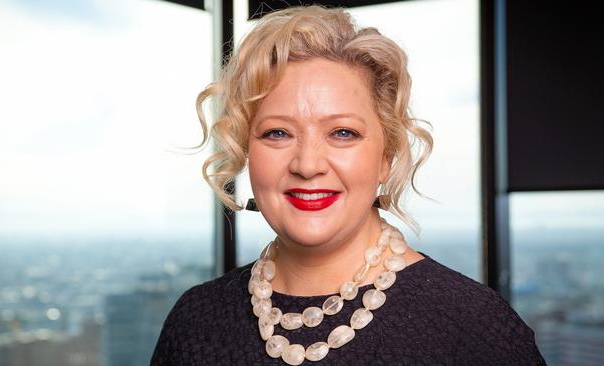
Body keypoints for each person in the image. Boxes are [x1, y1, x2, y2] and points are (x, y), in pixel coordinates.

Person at [151, 5, 546, 365]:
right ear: (246, 152)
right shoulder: (193, 321)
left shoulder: (475, 330)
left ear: (386, 157)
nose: (307, 165)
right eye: (276, 133)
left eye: (342, 132)